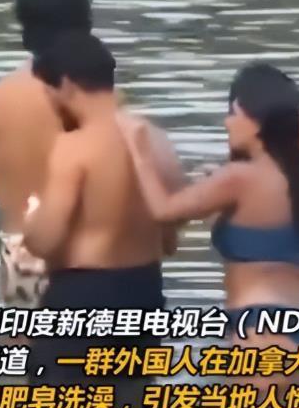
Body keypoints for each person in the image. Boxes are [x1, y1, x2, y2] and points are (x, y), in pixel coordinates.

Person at [121, 62, 299, 360]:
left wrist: (139, 154)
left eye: (233, 113)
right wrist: (214, 193)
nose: (228, 122)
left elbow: (163, 210)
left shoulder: (238, 178)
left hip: (260, 330)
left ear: (255, 120)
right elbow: (266, 243)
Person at [23, 32, 183, 387]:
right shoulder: (156, 142)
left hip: (83, 297)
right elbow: (170, 241)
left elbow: (46, 240)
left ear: (65, 84)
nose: (49, 102)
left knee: (61, 404)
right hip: (145, 293)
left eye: (48, 91)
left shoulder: (74, 147)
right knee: (133, 400)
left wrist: (32, 220)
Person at [0, 0, 93, 306]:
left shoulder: (0, 96)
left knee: (22, 340)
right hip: (76, 255)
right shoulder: (93, 97)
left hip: (19, 254)